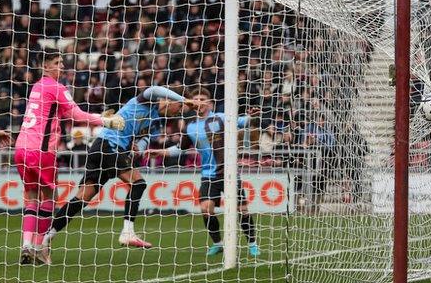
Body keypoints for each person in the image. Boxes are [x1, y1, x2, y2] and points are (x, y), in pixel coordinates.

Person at [40, 86, 200, 261]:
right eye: (180, 108)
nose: (178, 113)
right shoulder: (145, 101)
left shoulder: (157, 122)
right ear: (173, 100)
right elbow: (154, 88)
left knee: (81, 198)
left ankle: (45, 239)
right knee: (138, 183)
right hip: (109, 145)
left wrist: (137, 149)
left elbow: (144, 140)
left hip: (102, 149)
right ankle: (127, 232)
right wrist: (185, 100)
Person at [15, 49, 125, 264]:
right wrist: (105, 121)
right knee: (48, 199)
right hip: (42, 149)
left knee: (30, 197)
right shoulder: (57, 87)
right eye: (57, 62)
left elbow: (62, 114)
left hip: (21, 147)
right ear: (45, 66)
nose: (62, 66)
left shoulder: (37, 87)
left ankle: (26, 245)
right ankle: (39, 247)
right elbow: (75, 114)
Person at [145, 87, 260, 257]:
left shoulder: (222, 118)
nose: (198, 102)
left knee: (242, 209)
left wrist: (253, 116)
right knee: (206, 208)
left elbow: (244, 122)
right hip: (208, 174)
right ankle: (217, 243)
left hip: (228, 173)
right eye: (195, 99)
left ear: (209, 103)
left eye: (202, 99)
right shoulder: (190, 127)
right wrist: (161, 152)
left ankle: (252, 243)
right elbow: (180, 148)